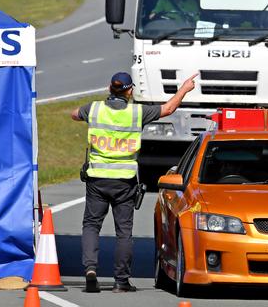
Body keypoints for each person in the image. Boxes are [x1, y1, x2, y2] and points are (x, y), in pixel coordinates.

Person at [71, 71, 197, 293]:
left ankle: (90, 270)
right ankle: (121, 281)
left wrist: (84, 115)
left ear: (110, 89)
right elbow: (168, 109)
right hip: (124, 181)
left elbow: (74, 114)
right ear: (130, 91)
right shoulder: (137, 112)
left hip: (97, 178)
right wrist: (184, 89)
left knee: (91, 225)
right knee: (124, 232)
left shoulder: (94, 109)